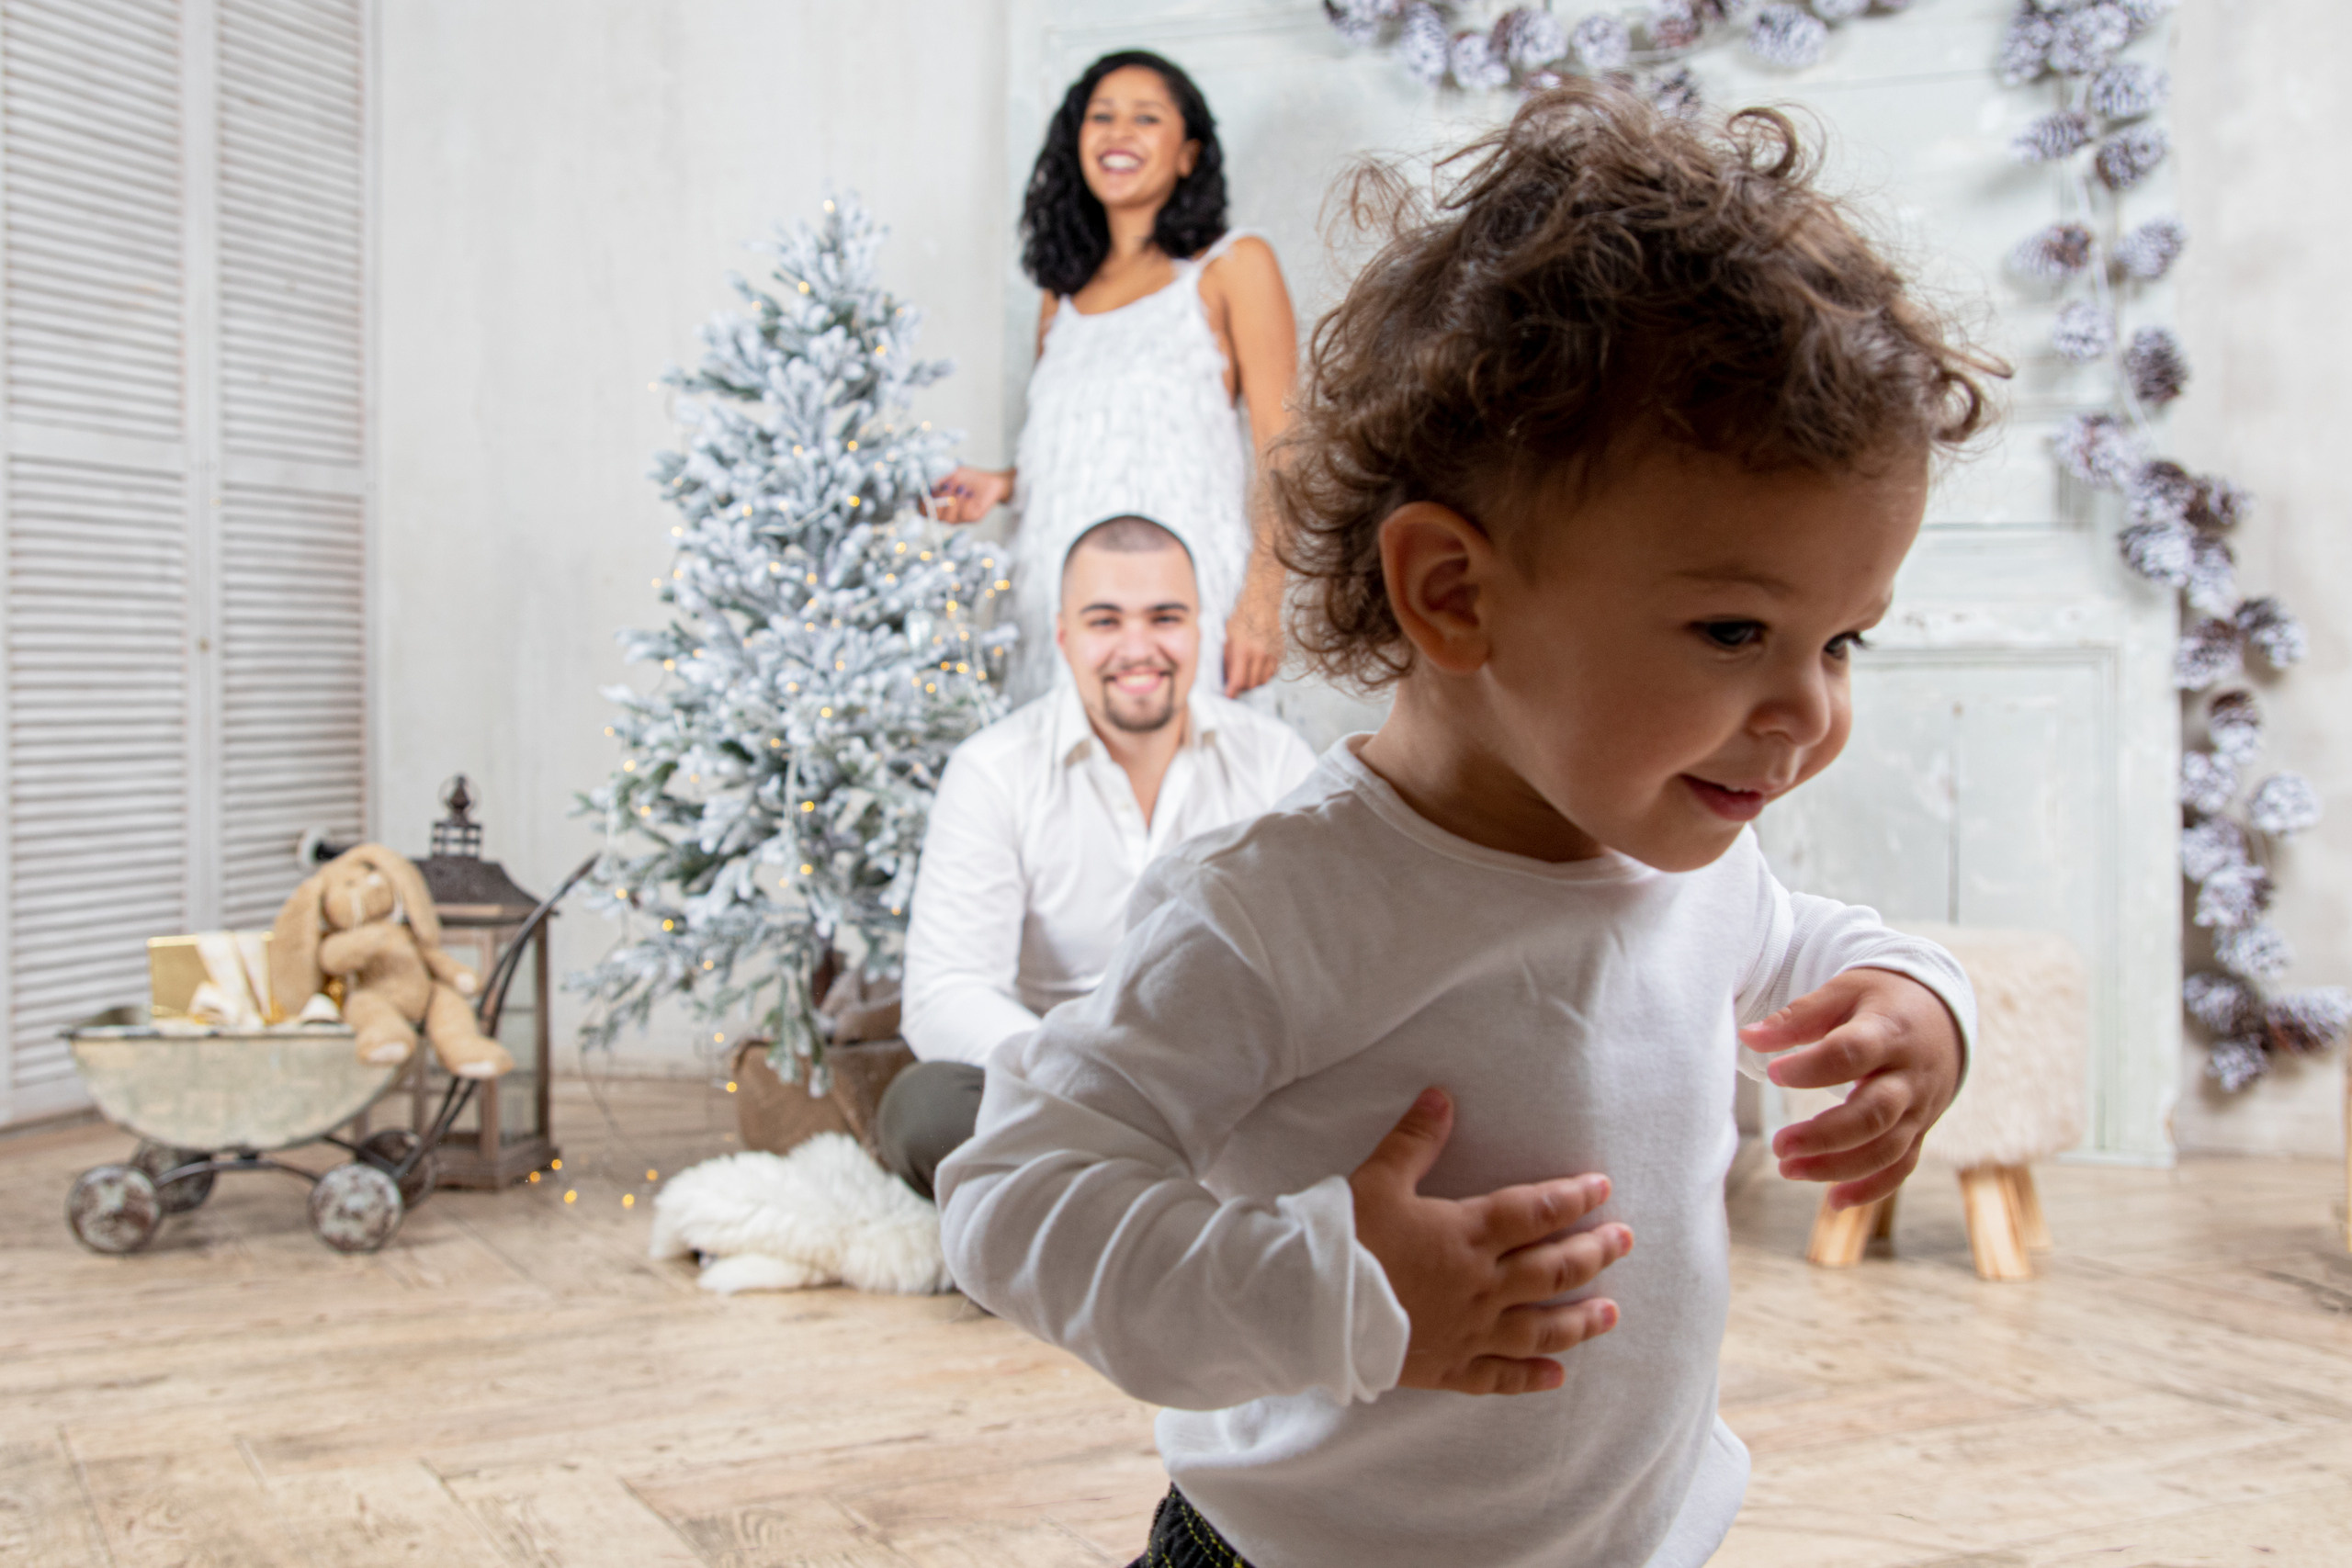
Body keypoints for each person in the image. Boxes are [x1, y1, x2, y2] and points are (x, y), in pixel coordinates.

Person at [937, 85, 2005, 1568]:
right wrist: (1328, 1284)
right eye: (1735, 627)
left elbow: (1813, 942)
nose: (1811, 712)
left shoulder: (1685, 848)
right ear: (1454, 593)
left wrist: (1914, 1003)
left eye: (1843, 643)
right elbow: (1014, 1197)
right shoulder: (1281, 904)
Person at [877, 514, 1315, 1201]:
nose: (1137, 648)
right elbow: (945, 992)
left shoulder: (1275, 760)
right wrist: (1090, 1081)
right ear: (1064, 635)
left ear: (1200, 626)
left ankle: (1097, 1228)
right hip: (1057, 1091)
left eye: (1165, 617)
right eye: (1105, 621)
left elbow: (1313, 969)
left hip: (1231, 1093)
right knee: (924, 1108)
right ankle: (1185, 1219)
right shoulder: (993, 770)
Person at [929, 51, 1296, 704]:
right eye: (1101, 116)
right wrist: (1001, 484)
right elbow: (1083, 450)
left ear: (1187, 154)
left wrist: (1261, 605)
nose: (1118, 132)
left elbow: (1284, 452)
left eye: (1145, 117)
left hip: (1182, 595)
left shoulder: (1232, 266)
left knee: (1192, 793)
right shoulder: (1060, 295)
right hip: (1055, 599)